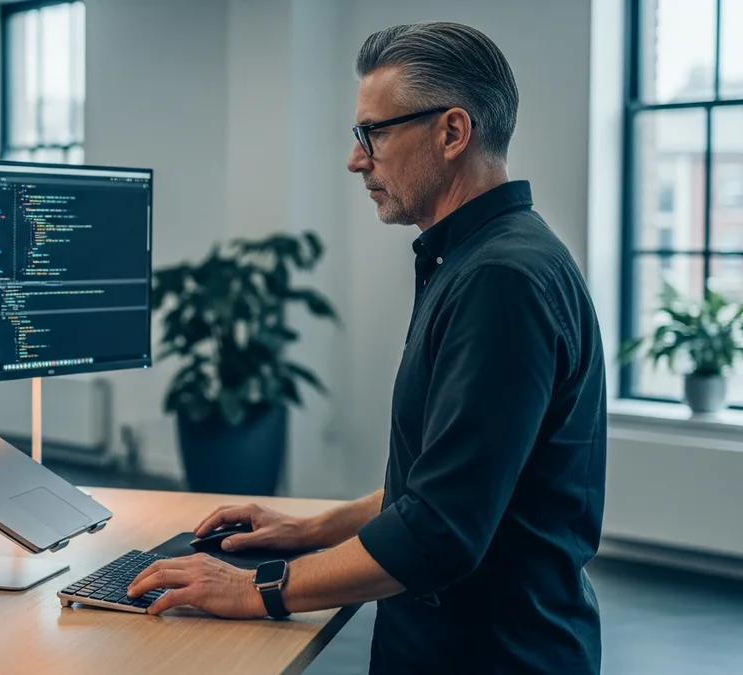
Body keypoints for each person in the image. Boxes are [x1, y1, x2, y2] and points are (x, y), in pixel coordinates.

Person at [127, 21, 606, 675]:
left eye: (372, 133)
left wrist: (252, 588)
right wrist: (311, 528)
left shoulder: (501, 280)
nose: (356, 159)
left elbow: (439, 530)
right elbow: (447, 480)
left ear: (452, 132)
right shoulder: (486, 258)